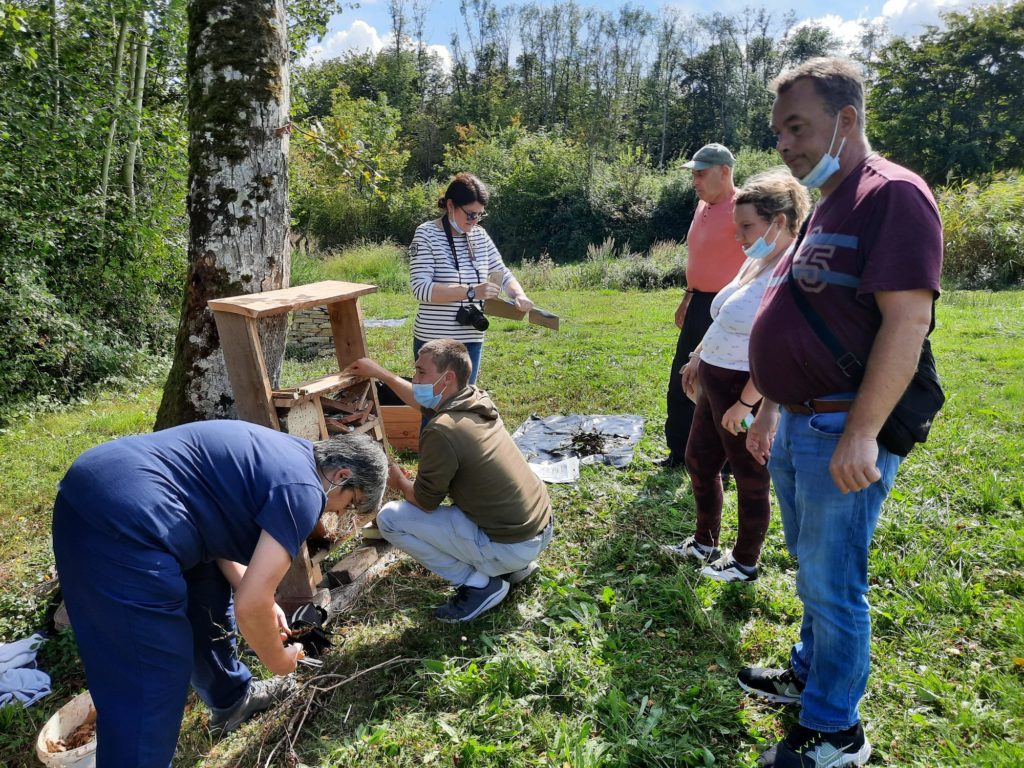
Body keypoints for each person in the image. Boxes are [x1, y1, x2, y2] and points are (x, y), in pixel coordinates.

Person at [741, 58, 942, 767]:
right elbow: (797, 311)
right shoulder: (827, 200)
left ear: (846, 120)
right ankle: (809, 671)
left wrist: (861, 433)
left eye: (797, 126)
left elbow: (907, 321)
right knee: (810, 568)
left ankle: (835, 730)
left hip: (840, 426)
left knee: (835, 581)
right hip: (801, 420)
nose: (784, 145)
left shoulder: (892, 196)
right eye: (778, 131)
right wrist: (770, 410)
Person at [51, 422, 388, 767]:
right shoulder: (304, 490)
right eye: (350, 503)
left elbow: (219, 527)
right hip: (120, 521)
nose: (335, 513)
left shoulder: (287, 455)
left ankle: (231, 701)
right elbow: (250, 607)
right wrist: (278, 661)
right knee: (150, 676)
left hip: (122, 489)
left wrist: (261, 596)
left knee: (207, 600)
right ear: (342, 474)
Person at [661, 169, 810, 583]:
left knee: (749, 475)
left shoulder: (792, 273)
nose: (738, 236)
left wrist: (747, 402)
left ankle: (745, 561)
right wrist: (696, 356)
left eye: (746, 226)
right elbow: (724, 318)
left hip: (744, 388)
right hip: (713, 378)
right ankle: (705, 542)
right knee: (698, 460)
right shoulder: (756, 261)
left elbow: (781, 350)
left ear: (779, 221)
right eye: (737, 226)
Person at [346, 339, 553, 623]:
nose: (415, 379)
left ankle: (480, 585)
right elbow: (422, 401)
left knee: (391, 518)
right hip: (538, 529)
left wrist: (397, 481)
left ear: (448, 379)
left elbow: (425, 502)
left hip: (512, 545)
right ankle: (512, 568)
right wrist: (380, 373)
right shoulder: (475, 400)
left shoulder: (441, 431)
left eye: (420, 372)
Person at [662, 143, 748, 468]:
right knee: (682, 377)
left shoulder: (743, 207)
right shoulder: (702, 206)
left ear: (724, 171)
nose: (695, 181)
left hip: (728, 308)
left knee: (718, 382)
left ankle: (721, 463)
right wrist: (689, 294)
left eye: (701, 173)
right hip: (699, 302)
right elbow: (700, 256)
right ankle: (679, 453)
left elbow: (757, 261)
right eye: (693, 174)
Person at [409, 172, 533, 385]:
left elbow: (501, 273)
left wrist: (518, 294)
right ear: (450, 205)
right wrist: (470, 291)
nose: (474, 221)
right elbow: (420, 288)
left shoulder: (480, 235)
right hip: (434, 342)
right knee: (432, 406)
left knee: (464, 406)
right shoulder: (426, 234)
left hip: (470, 338)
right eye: (470, 215)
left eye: (479, 215)